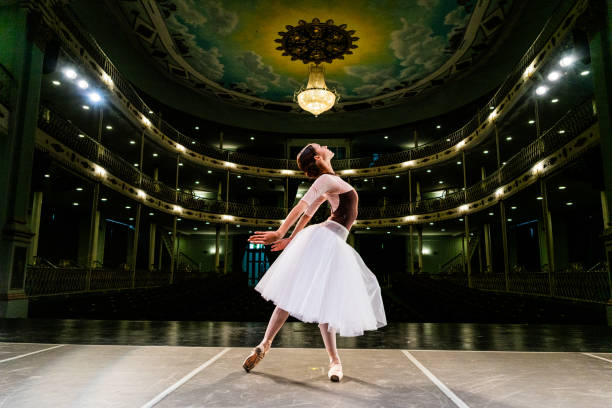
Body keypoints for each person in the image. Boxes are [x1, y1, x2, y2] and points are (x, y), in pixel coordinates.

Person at [242, 143, 387, 382]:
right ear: (318, 157)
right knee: (310, 298)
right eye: (320, 146)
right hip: (327, 239)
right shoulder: (325, 180)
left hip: (329, 241)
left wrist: (291, 239)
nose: (326, 146)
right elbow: (302, 206)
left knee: (313, 299)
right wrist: (279, 233)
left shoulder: (331, 181)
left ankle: (267, 344)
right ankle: (332, 361)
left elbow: (309, 214)